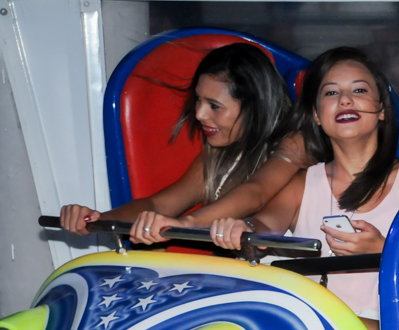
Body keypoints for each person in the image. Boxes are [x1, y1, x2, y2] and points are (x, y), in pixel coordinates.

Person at [211, 46, 399, 330]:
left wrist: (386, 250)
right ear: (316, 116)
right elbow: (264, 225)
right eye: (331, 93)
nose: (345, 100)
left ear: (382, 109)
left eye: (359, 90)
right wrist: (242, 232)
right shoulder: (302, 183)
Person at [59, 43, 294, 245]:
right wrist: (98, 219)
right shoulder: (216, 160)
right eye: (198, 100)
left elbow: (257, 192)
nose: (199, 114)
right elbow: (158, 205)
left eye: (214, 105)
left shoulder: (297, 145)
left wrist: (186, 224)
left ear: (255, 107)